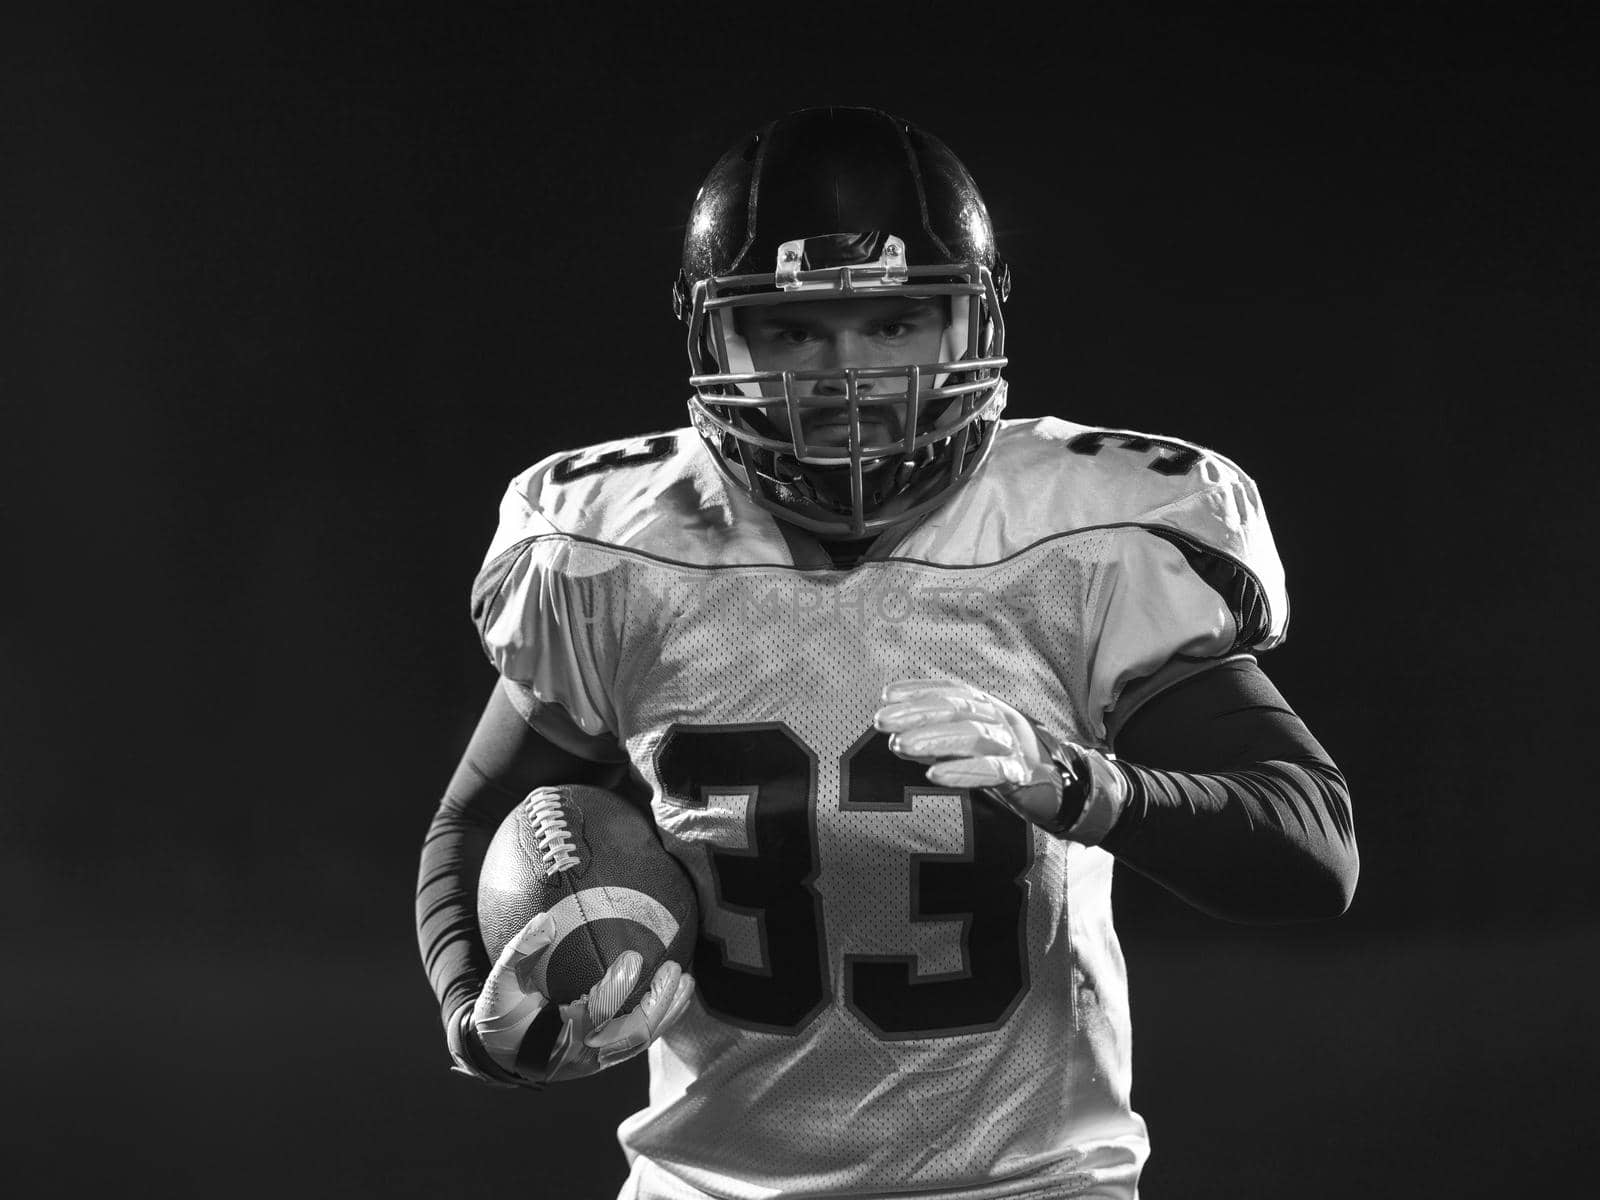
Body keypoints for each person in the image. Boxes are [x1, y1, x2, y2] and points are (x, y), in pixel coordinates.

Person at [415, 105, 1358, 1200]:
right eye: (790, 331)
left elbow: (1312, 847)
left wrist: (1074, 785)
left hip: (1026, 1185)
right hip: (703, 1186)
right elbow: (474, 821)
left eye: (896, 321)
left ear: (973, 323)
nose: (846, 373)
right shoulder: (618, 548)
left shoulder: (1079, 540)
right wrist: (481, 1022)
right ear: (712, 336)